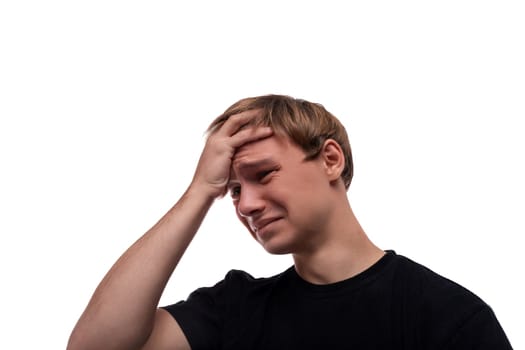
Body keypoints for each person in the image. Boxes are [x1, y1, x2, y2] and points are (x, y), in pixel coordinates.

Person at [67, 94, 512, 350]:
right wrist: (200, 190)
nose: (246, 205)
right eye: (234, 190)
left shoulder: (447, 316)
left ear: (330, 160)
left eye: (263, 175)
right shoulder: (235, 309)